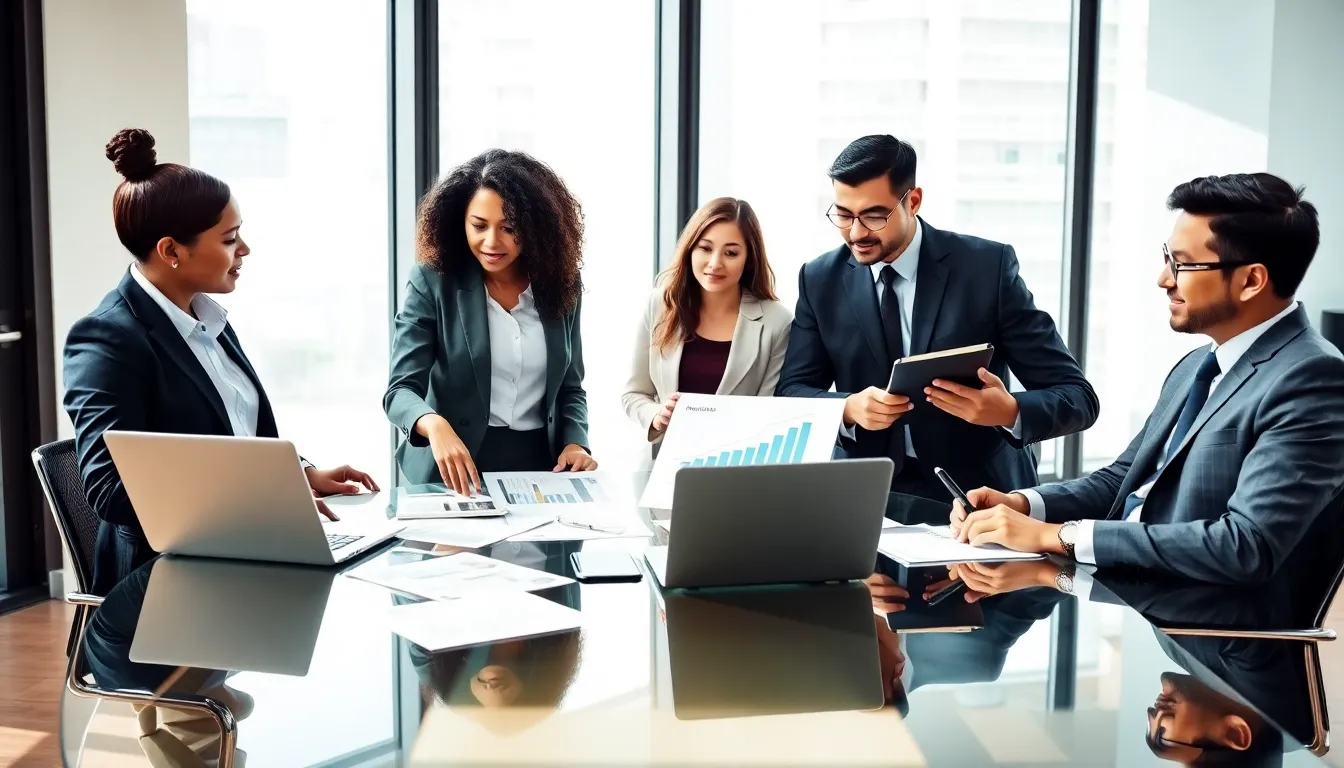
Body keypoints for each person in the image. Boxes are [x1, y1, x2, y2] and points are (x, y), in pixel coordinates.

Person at [950, 173, 1344, 585]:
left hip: (1212, 630)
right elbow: (1125, 478)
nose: (1164, 279)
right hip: (1131, 593)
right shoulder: (1195, 365)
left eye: (1183, 264)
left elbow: (1246, 546)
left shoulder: (1311, 378)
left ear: (1251, 281)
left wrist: (1057, 536)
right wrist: (1024, 506)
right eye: (1166, 257)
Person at [63, 129, 379, 595]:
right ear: (172, 251)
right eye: (230, 239)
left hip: (238, 558)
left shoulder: (207, 317)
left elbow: (231, 436)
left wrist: (298, 475)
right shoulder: (107, 339)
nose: (245, 250)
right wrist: (264, 501)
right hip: (162, 585)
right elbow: (111, 491)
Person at [776, 135, 1098, 502]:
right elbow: (791, 393)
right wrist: (846, 409)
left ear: (912, 201)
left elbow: (1078, 398)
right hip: (870, 498)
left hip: (982, 495)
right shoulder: (820, 279)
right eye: (844, 215)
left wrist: (1008, 410)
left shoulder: (986, 269)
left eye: (874, 216)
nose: (856, 232)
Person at [384, 149, 595, 494]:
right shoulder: (433, 281)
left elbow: (570, 387)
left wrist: (576, 443)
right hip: (452, 472)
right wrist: (434, 424)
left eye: (510, 228)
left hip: (543, 474)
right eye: (479, 226)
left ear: (535, 228)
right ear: (460, 220)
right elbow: (400, 391)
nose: (492, 242)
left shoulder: (561, 285)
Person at [621, 197, 792, 460]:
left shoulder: (776, 322)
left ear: (749, 258)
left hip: (737, 468)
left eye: (731, 252)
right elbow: (634, 394)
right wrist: (657, 415)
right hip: (663, 465)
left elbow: (768, 412)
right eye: (705, 248)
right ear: (690, 249)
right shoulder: (660, 304)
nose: (715, 263)